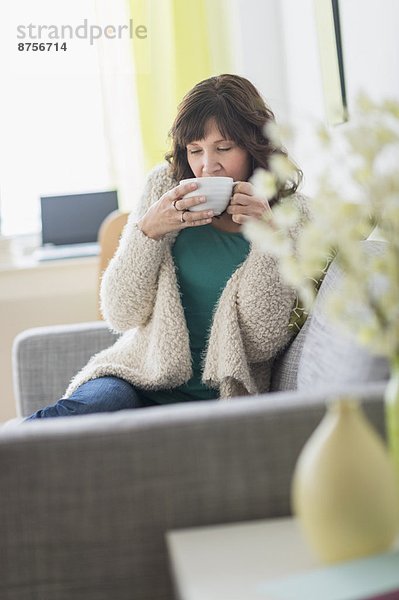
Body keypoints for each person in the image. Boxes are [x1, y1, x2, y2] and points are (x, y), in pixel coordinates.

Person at [26, 73, 305, 420]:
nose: (207, 165)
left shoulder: (289, 216)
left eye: (223, 148)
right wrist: (148, 232)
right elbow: (120, 313)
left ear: (253, 146)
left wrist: (270, 238)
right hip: (136, 377)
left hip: (222, 398)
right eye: (195, 150)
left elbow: (262, 338)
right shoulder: (163, 187)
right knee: (79, 413)